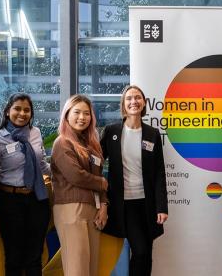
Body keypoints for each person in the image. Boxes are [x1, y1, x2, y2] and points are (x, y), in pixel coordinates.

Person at [100, 85, 168, 276]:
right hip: (123, 204)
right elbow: (96, 162)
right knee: (141, 250)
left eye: (137, 98)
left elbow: (159, 172)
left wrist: (161, 206)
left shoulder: (152, 134)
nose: (133, 101)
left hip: (147, 203)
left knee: (146, 253)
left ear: (144, 103)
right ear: (123, 104)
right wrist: (99, 190)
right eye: (129, 98)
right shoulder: (112, 131)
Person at [0, 93, 51, 275]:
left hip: (37, 200)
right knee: (14, 257)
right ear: (8, 112)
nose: (22, 113)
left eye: (27, 110)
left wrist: (65, 172)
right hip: (9, 201)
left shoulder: (36, 133)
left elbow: (42, 165)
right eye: (17, 108)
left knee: (35, 256)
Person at [51, 94, 108, 276]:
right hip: (70, 209)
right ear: (67, 114)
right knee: (77, 269)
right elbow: (75, 176)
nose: (82, 117)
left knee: (91, 268)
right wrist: (102, 183)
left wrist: (104, 205)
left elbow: (97, 176)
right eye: (77, 112)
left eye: (86, 113)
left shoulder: (92, 145)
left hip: (93, 209)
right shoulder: (62, 143)